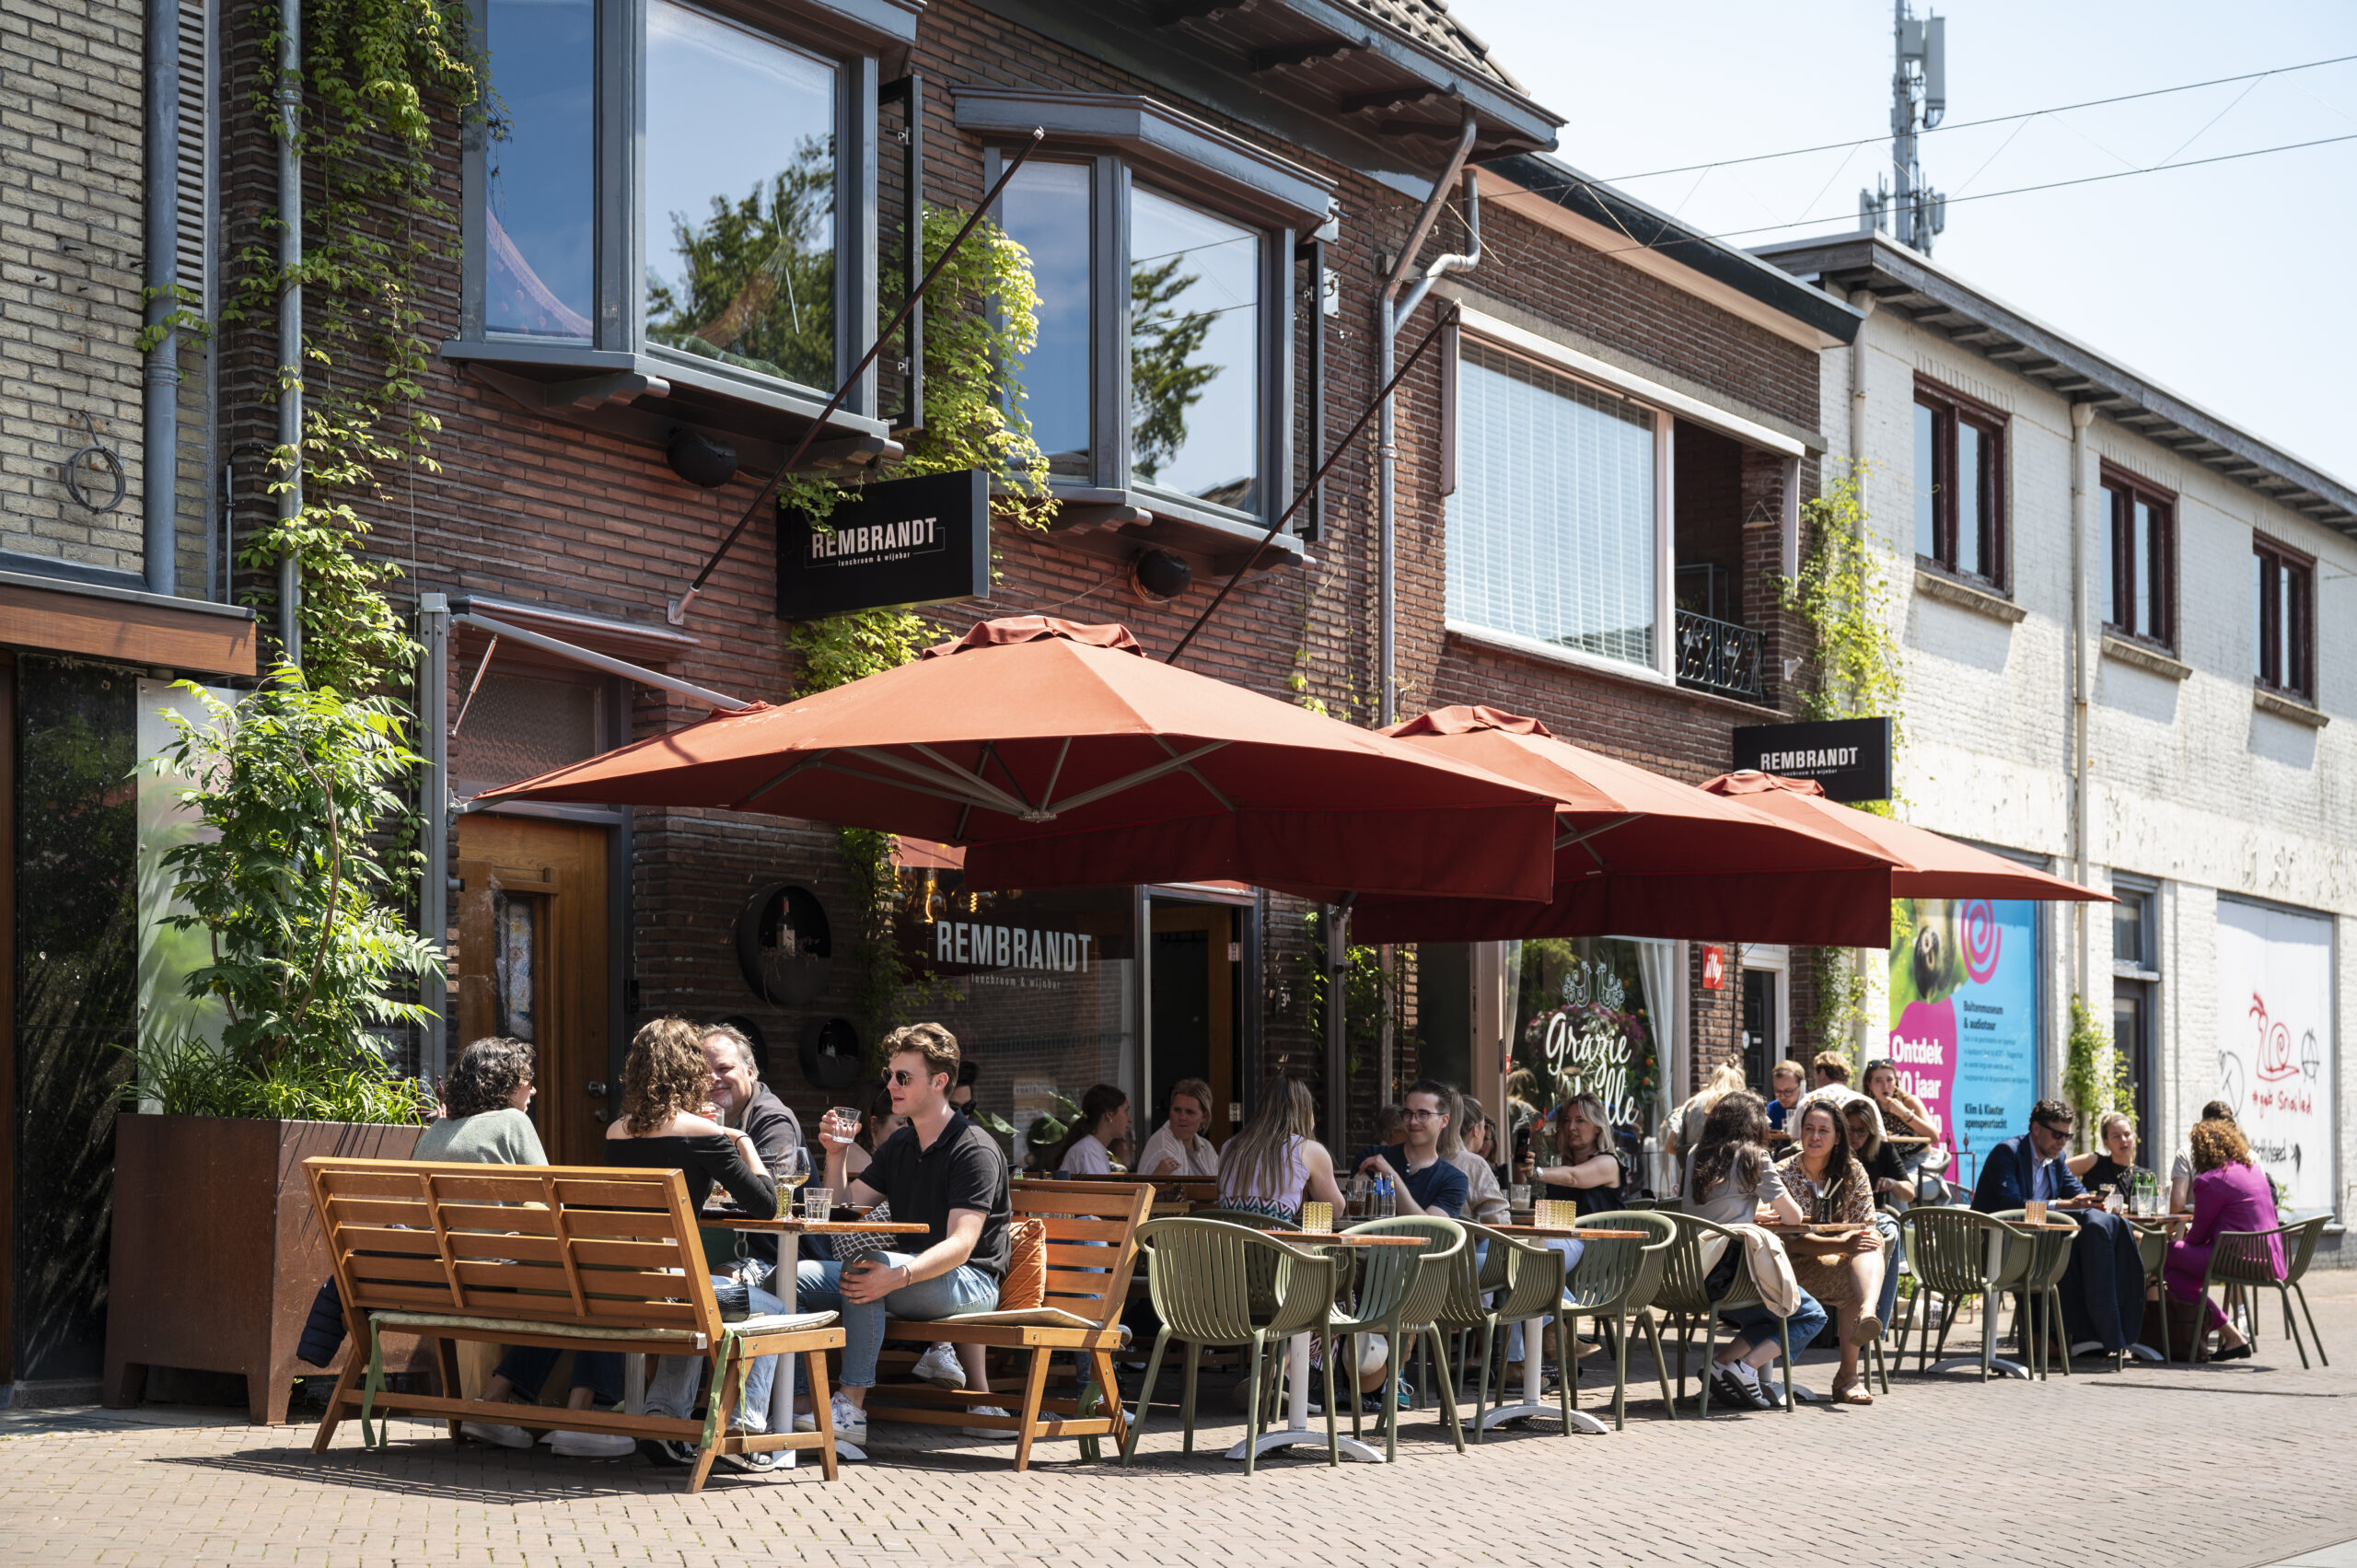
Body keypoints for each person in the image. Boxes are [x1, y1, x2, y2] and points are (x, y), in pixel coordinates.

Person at [416, 1040, 633, 1458]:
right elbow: (546, 1206)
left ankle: (496, 1401)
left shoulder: (436, 1132)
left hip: (443, 1279)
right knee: (600, 1278)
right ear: (502, 1084)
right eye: (526, 1081)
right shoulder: (511, 1123)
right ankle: (582, 1414)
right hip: (495, 1277)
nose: (533, 1091)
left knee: (562, 1285)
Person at [802, 1023, 1011, 1448]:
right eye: (890, 1075)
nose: (892, 1085)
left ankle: (851, 1406)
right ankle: (790, 1398)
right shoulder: (901, 1145)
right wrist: (837, 1153)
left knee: (867, 1270)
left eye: (903, 1077)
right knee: (795, 1274)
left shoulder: (974, 1148)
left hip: (969, 1281)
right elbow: (846, 1209)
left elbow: (962, 1245)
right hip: (911, 1274)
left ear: (939, 1082)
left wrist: (896, 1277)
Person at [604, 1017, 791, 1469]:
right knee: (773, 1309)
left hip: (637, 1285)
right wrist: (742, 1141)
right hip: (684, 1291)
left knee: (699, 1292)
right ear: (689, 1071)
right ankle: (743, 1432)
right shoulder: (702, 1134)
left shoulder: (615, 1132)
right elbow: (768, 1205)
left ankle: (663, 1419)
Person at [1683, 1091, 1829, 1411]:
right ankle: (1746, 1368)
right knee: (1811, 1315)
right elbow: (1791, 1217)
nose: (1767, 1121)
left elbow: (1713, 1209)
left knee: (1770, 1317)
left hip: (1693, 1274)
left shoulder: (1696, 1153)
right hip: (1732, 1275)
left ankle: (1719, 1367)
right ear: (1751, 1122)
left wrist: (1748, 1214)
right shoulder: (1754, 1157)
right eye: (1763, 1115)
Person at [1973, 1099, 2147, 1357]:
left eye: (2067, 1136)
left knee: (2087, 1245)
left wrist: (2091, 1201)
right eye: (2057, 1135)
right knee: (2047, 1251)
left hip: (2039, 1242)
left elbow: (2078, 1197)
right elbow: (2012, 1204)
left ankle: (2084, 1335)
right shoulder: (2007, 1153)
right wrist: (2063, 1204)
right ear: (2036, 1128)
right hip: (1997, 1245)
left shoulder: (2057, 1159)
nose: (2062, 1142)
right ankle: (2043, 1337)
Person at [1779, 1100, 1885, 1405]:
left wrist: (1848, 1242)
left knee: (1870, 1240)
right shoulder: (1784, 1172)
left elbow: (1864, 1225)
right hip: (1787, 1265)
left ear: (1838, 1137)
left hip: (1835, 1258)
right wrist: (1842, 1243)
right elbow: (1791, 1241)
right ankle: (1848, 1376)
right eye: (1809, 1129)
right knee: (1858, 1261)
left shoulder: (1852, 1171)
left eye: (1823, 1130)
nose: (1814, 1136)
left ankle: (1865, 1317)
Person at [2164, 1118, 2279, 1361]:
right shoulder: (2255, 1171)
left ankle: (2168, 1335)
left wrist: (2178, 1237)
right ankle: (2232, 1338)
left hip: (2235, 1259)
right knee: (2176, 1277)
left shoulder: (2210, 1180)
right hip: (2271, 1259)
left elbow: (2198, 1236)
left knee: (2168, 1254)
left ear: (2201, 1151)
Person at [702, 1022, 805, 1277]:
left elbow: (770, 1198)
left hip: (772, 1256)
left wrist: (735, 1139)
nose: (713, 1078)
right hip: (714, 1244)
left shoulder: (773, 1121)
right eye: (703, 1072)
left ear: (750, 1072)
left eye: (724, 1068)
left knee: (718, 1285)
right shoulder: (697, 1119)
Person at [1215, 1076, 1345, 1225]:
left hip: (1230, 1247)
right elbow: (1336, 1210)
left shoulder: (1230, 1146)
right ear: (1304, 1111)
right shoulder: (1308, 1150)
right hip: (1276, 1247)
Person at [1356, 1080, 1469, 1219]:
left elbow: (1431, 1229)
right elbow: (1359, 1216)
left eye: (1423, 1114)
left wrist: (1391, 1177)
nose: (1413, 1121)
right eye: (1408, 1113)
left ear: (1444, 1121)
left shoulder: (1454, 1180)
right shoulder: (1371, 1156)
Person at [1841, 1098, 1907, 1332]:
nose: (1855, 1137)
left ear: (1871, 1132)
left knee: (1887, 1229)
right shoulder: (1834, 1151)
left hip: (1870, 1219)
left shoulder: (1883, 1150)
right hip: (1838, 1220)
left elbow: (1909, 1192)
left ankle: (1875, 1326)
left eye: (1862, 1131)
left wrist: (1893, 1184)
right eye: (1850, 1130)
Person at [1862, 1058, 1946, 1197]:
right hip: (1891, 1166)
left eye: (1889, 1080)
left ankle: (1903, 1220)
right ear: (1869, 1085)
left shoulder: (1909, 1102)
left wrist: (1904, 1114)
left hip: (1919, 1166)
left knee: (1896, 1187)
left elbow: (1934, 1137)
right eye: (1878, 1081)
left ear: (1896, 1082)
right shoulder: (1870, 1108)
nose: (1885, 1086)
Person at [1531, 1094, 1626, 1217]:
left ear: (1597, 1128)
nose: (1571, 1127)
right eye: (1567, 1120)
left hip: (1595, 1236)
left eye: (1580, 1120)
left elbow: (1573, 1177)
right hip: (1560, 1234)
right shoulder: (1563, 1167)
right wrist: (1522, 1167)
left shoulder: (1608, 1163)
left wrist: (1534, 1172)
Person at [1667, 1063, 1746, 1184]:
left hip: (1690, 1184)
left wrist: (1692, 1158)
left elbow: (1670, 1146)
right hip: (1724, 1184)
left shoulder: (1692, 1103)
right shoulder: (1735, 1103)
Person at [1138, 1078, 1221, 1177]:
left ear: (1204, 1117)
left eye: (1190, 1112)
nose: (1182, 1117)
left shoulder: (1207, 1148)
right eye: (1177, 1110)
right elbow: (1176, 1190)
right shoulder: (1163, 1146)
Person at [1446, 1098, 1511, 1224]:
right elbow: (1498, 1221)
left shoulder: (1434, 1157)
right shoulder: (1474, 1164)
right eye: (1483, 1126)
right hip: (1469, 1242)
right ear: (1476, 1130)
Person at [1044, 1084, 1129, 1178]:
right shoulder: (1088, 1153)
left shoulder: (1091, 1150)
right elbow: (1098, 1192)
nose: (1130, 1119)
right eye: (1126, 1111)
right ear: (1109, 1114)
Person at [2170, 1100, 2238, 1213]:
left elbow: (2177, 1204)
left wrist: (2169, 1227)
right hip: (2245, 1228)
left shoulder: (2186, 1155)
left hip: (2197, 1225)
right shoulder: (2249, 1158)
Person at [2069, 1111, 2146, 1199]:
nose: (2123, 1140)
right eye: (2116, 1136)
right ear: (2106, 1141)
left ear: (2134, 1137)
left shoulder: (2144, 1176)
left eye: (2127, 1134)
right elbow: (2055, 1169)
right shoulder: (2093, 1162)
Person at [1764, 1060, 1805, 1133]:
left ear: (1802, 1085)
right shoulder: (1771, 1110)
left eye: (1788, 1091)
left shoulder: (1814, 1107)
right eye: (1778, 1091)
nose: (1782, 1097)